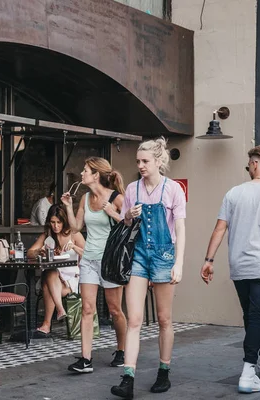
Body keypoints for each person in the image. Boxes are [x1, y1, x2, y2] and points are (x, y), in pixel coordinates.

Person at [199, 145, 260, 394]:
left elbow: (219, 229)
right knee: (256, 317)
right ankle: (248, 371)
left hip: (239, 266)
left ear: (253, 164)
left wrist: (209, 260)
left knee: (250, 316)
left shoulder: (233, 193)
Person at [111, 137, 186, 398]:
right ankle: (128, 378)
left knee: (164, 318)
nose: (140, 165)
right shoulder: (132, 189)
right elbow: (123, 222)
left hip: (165, 255)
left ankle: (164, 371)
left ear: (158, 161)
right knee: (134, 319)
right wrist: (128, 215)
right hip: (139, 255)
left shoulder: (173, 189)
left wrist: (179, 262)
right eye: (138, 161)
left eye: (145, 161)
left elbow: (180, 227)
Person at [61, 157, 127, 373]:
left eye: (85, 170)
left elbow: (131, 224)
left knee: (115, 310)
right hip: (89, 259)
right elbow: (76, 227)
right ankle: (86, 359)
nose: (81, 173)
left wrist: (112, 213)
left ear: (96, 175)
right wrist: (69, 207)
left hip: (110, 261)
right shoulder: (85, 198)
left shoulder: (117, 198)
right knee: (87, 309)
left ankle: (122, 350)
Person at [27, 204, 85, 336]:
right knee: (50, 272)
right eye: (53, 222)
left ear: (64, 221)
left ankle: (48, 324)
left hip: (71, 279)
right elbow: (29, 253)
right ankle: (59, 309)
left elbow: (88, 254)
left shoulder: (74, 234)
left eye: (59, 222)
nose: (56, 226)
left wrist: (74, 248)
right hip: (55, 277)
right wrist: (39, 252)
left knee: (47, 283)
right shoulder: (48, 235)